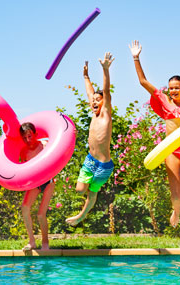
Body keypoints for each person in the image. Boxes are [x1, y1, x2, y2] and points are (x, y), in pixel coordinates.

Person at [129, 40, 180, 227]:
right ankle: (176, 211)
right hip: (172, 151)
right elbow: (143, 82)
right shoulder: (165, 101)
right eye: (171, 87)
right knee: (175, 190)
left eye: (177, 87)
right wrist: (136, 57)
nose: (173, 90)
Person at [66, 52, 115, 226]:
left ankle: (81, 215)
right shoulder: (94, 114)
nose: (93, 102)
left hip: (103, 165)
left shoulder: (105, 115)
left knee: (92, 193)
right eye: (93, 100)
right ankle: (82, 212)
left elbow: (106, 91)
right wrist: (86, 76)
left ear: (105, 103)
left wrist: (105, 70)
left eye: (97, 100)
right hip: (90, 160)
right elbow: (89, 92)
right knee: (80, 190)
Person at [19, 122, 55, 251]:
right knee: (25, 207)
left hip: (48, 181)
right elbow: (24, 169)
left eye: (30, 136)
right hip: (35, 183)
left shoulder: (44, 145)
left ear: (35, 134)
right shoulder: (24, 152)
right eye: (24, 137)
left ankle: (45, 242)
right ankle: (32, 241)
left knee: (41, 214)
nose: (27, 140)